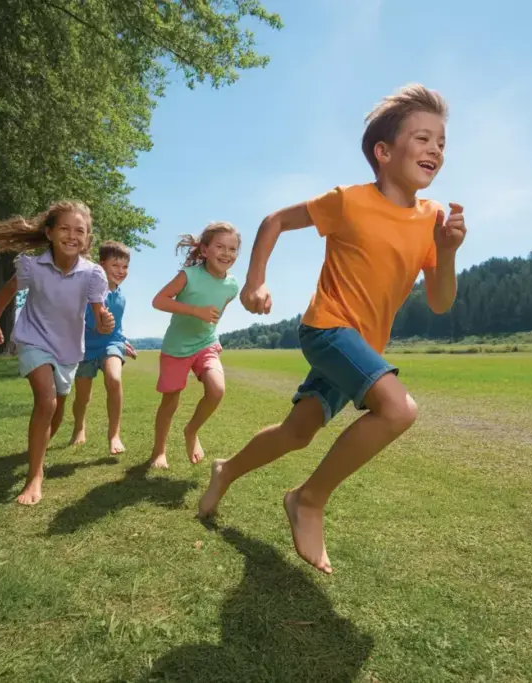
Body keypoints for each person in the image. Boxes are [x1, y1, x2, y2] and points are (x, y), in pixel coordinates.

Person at [197, 83, 467, 574]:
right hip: (326, 329)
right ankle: (308, 500)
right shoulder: (349, 201)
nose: (435, 150)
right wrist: (254, 281)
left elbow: (440, 301)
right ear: (383, 152)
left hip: (359, 347)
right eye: (423, 138)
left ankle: (225, 470)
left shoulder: (432, 221)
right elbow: (275, 220)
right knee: (398, 410)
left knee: (298, 432)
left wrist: (446, 252)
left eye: (442, 143)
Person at [0, 200, 115, 506]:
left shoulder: (93, 274)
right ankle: (35, 475)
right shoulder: (32, 266)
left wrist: (105, 323)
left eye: (79, 231)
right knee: (46, 400)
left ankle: (37, 451)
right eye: (65, 228)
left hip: (68, 349)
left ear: (87, 238)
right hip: (34, 339)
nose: (72, 235)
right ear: (50, 232)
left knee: (55, 414)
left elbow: (99, 316)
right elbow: (7, 291)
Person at [150, 222, 241, 469]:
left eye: (232, 249)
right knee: (170, 402)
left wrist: (209, 327)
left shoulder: (232, 286)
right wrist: (194, 311)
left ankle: (191, 431)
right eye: (220, 247)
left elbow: (217, 312)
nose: (226, 253)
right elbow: (158, 301)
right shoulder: (189, 275)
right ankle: (159, 452)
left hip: (206, 344)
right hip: (177, 347)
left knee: (216, 390)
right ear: (204, 250)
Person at [70, 240, 138, 455]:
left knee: (114, 379)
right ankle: (79, 426)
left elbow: (116, 326)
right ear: (101, 266)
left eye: (125, 267)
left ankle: (114, 435)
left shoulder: (121, 297)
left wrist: (123, 341)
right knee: (83, 397)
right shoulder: (87, 291)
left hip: (111, 344)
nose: (121, 271)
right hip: (85, 348)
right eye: (115, 265)